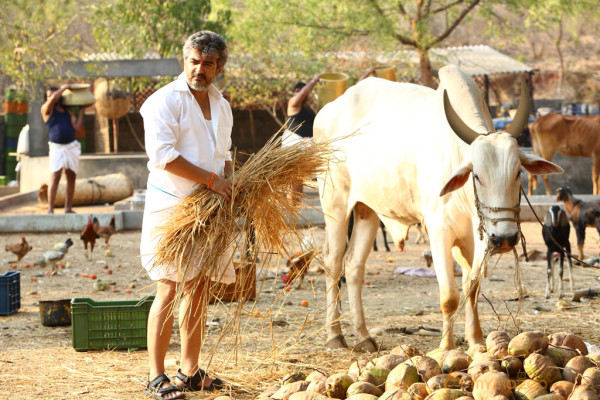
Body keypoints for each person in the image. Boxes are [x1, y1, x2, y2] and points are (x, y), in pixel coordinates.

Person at [140, 31, 235, 400]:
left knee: (198, 287)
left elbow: (224, 153)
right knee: (169, 286)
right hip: (173, 205)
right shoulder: (163, 102)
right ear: (185, 61)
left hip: (210, 207)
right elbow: (163, 156)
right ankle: (155, 375)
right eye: (193, 61)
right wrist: (214, 181)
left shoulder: (222, 105)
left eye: (207, 64)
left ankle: (190, 371)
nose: (199, 69)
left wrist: (230, 182)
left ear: (219, 68)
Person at [41, 85, 85, 214]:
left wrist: (81, 111)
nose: (52, 98)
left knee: (71, 176)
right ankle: (50, 209)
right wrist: (64, 87)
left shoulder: (68, 111)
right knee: (55, 177)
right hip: (57, 147)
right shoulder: (46, 110)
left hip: (71, 146)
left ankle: (68, 208)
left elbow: (77, 128)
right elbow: (53, 98)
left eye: (53, 95)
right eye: (48, 96)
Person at [283, 74, 320, 202]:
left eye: (301, 91)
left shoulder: (309, 108)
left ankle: (296, 207)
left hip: (307, 144)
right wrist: (314, 81)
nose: (299, 94)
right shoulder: (293, 103)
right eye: (297, 92)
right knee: (293, 178)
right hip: (294, 143)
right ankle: (291, 206)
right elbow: (303, 95)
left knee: (300, 178)